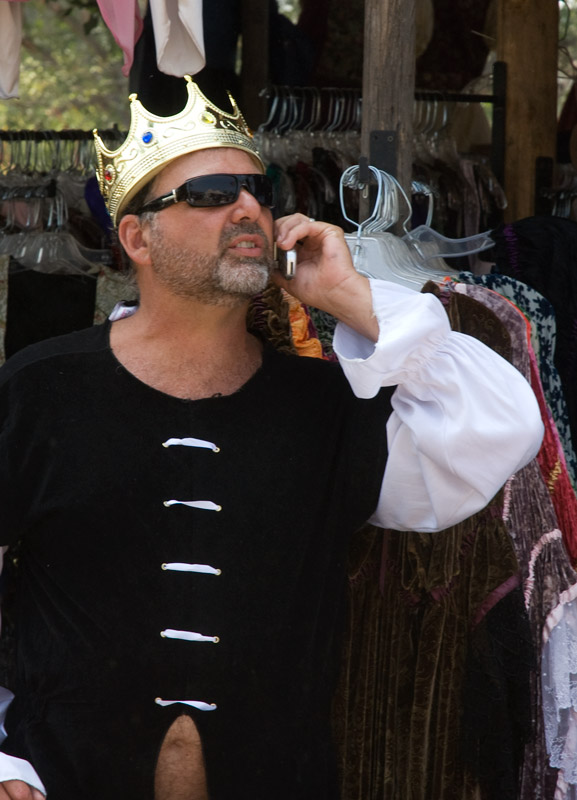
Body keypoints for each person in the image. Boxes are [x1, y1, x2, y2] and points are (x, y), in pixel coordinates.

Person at [0, 78, 543, 800]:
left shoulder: (325, 405)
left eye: (260, 189)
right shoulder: (40, 389)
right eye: (210, 193)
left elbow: (501, 431)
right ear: (137, 238)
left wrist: (350, 298)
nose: (248, 208)